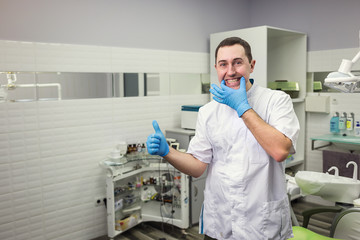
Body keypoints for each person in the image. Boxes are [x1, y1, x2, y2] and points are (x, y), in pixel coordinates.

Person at [146, 37, 300, 240]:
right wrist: (168, 152)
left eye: (238, 62)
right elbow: (198, 165)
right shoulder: (208, 112)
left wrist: (242, 107)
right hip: (219, 221)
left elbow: (280, 151)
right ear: (216, 68)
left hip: (261, 225)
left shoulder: (276, 101)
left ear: (251, 65)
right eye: (223, 64)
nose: (231, 71)